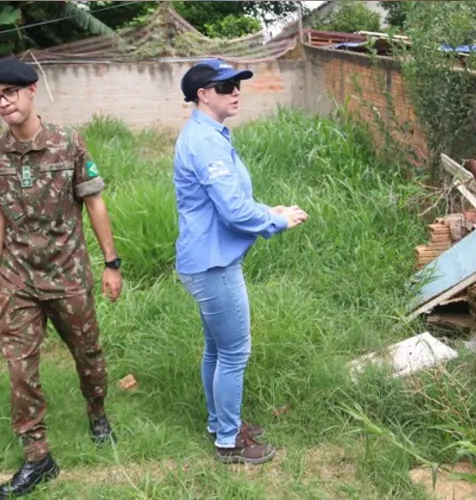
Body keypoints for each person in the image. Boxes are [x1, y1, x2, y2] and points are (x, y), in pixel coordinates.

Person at [0, 56, 123, 498]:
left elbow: (94, 203)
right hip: (18, 278)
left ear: (30, 91)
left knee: (89, 353)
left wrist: (110, 263)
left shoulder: (68, 142)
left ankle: (97, 413)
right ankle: (38, 457)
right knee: (20, 368)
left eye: (9, 93)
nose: (3, 103)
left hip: (68, 274)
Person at [173, 59, 309, 464]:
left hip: (205, 259)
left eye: (237, 84)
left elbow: (228, 202)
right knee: (234, 353)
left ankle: (221, 425)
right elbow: (233, 211)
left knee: (217, 350)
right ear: (203, 94)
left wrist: (270, 208)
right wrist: (277, 221)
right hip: (213, 265)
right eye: (226, 85)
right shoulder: (206, 141)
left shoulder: (207, 134)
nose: (236, 91)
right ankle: (229, 443)